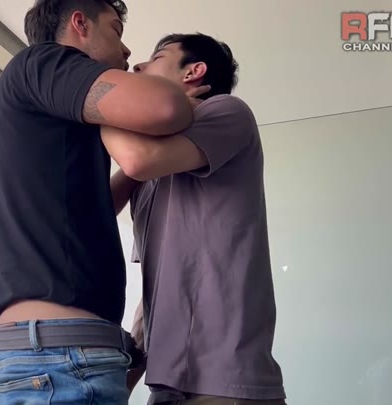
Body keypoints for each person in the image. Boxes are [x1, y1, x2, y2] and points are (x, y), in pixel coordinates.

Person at [0, 1, 203, 404]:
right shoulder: (44, 62)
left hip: (47, 355)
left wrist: (137, 168)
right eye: (115, 30)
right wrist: (186, 100)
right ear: (80, 23)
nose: (127, 50)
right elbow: (164, 107)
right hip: (56, 357)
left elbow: (90, 210)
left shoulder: (47, 105)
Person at [102, 33, 287, 404]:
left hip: (226, 380)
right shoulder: (152, 169)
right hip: (168, 383)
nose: (138, 66)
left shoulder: (227, 111)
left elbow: (138, 160)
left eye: (156, 58)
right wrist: (127, 378)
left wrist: (100, 106)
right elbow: (157, 285)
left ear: (194, 71)